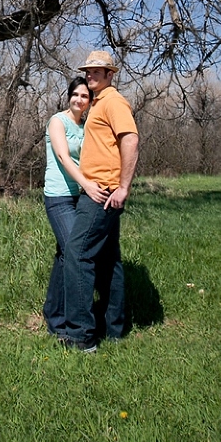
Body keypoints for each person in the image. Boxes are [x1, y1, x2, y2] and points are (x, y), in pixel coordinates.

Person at [61, 50, 139, 352]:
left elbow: (130, 139)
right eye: (89, 71)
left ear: (110, 74)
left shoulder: (114, 102)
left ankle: (81, 336)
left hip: (103, 193)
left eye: (98, 71)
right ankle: (115, 329)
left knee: (78, 254)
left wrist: (123, 187)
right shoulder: (99, 103)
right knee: (109, 261)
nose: (91, 75)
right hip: (98, 190)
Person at [42, 78, 109, 336]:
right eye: (76, 95)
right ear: (68, 96)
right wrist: (87, 184)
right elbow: (63, 156)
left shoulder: (87, 126)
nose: (80, 100)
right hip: (58, 198)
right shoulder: (57, 121)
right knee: (76, 252)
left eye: (85, 96)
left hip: (79, 198)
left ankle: (55, 315)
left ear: (90, 101)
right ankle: (74, 324)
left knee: (66, 255)